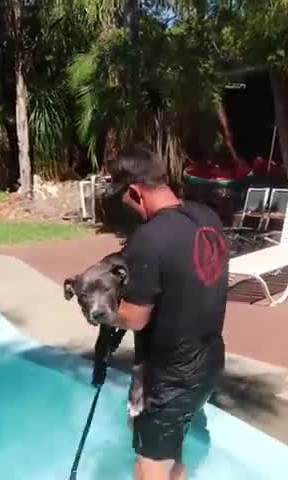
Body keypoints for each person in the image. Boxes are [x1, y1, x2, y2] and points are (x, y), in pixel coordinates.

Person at [105, 143, 229, 480]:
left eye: (125, 200)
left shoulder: (150, 237)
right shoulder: (208, 218)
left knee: (149, 469)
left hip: (170, 377)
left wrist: (100, 311)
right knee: (171, 457)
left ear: (134, 192)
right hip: (207, 364)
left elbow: (135, 317)